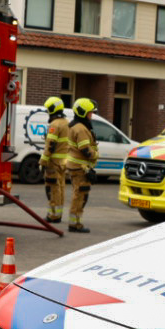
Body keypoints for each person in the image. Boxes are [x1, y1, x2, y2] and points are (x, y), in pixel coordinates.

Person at [62, 97, 100, 233]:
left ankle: (76, 222)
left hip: (76, 167)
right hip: (80, 169)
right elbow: (85, 149)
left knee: (79, 194)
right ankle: (75, 224)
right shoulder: (81, 129)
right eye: (90, 113)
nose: (92, 115)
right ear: (83, 113)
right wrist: (95, 155)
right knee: (80, 195)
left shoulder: (75, 126)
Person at [40, 96, 69, 224]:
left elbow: (50, 145)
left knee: (53, 189)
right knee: (61, 188)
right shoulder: (67, 123)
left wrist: (43, 161)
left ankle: (53, 216)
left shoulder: (54, 125)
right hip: (64, 162)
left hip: (53, 163)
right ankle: (58, 214)